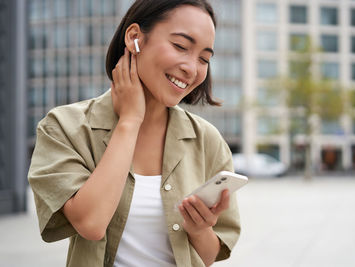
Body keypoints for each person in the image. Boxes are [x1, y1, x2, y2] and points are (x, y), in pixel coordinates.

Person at [28, 0, 241, 266]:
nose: (191, 68)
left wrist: (199, 229)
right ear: (134, 38)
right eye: (180, 46)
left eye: (204, 58)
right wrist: (130, 121)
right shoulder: (64, 127)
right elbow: (91, 224)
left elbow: (210, 256)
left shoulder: (207, 140)